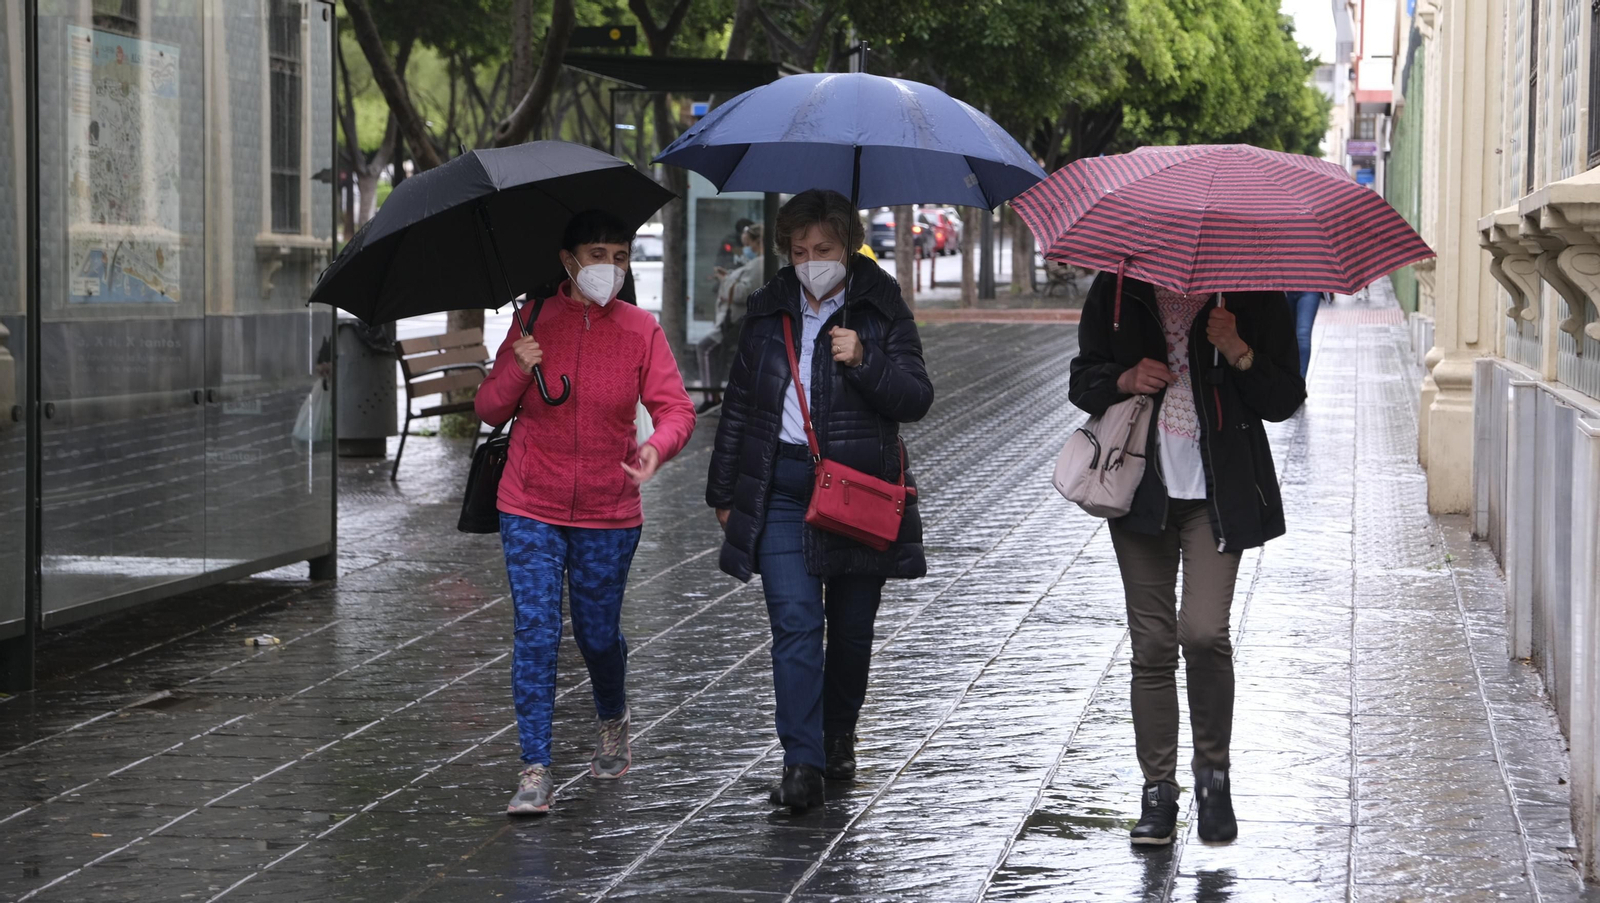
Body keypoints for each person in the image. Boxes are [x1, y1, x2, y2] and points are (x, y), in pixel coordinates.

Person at [707, 189, 934, 814]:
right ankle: (801, 763)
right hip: (782, 486)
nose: (811, 261)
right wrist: (724, 491)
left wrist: (864, 359)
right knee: (797, 625)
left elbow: (916, 398)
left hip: (858, 487)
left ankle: (838, 737)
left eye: (824, 249)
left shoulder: (881, 305)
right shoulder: (767, 308)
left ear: (848, 245)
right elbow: (742, 405)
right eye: (800, 250)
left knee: (853, 631)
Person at [1069, 271, 1305, 846]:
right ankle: (1158, 792)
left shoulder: (1252, 289)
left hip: (1218, 493)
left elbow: (1285, 399)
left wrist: (1239, 351)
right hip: (1139, 490)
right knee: (1151, 645)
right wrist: (1124, 376)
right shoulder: (1119, 287)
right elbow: (1082, 380)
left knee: (1202, 633)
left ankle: (1213, 775)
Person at [476, 210, 697, 816]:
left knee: (597, 637)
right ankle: (534, 770)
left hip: (609, 508)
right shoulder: (531, 320)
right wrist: (517, 367)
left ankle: (612, 716)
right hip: (529, 504)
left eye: (620, 257)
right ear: (568, 260)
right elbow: (490, 410)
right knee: (537, 632)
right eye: (597, 254)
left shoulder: (638, 330)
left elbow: (677, 409)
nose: (610, 268)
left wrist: (657, 446)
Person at [697, 224, 766, 407]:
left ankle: (711, 397)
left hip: (736, 321)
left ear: (757, 242)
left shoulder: (761, 263)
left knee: (706, 348)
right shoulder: (757, 262)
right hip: (735, 321)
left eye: (747, 244)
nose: (745, 249)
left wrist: (725, 280)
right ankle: (712, 396)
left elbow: (743, 293)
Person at [1287, 290, 1323, 379]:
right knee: (1298, 336)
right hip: (1307, 285)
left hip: (1304, 287)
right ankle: (1296, 381)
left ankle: (1298, 382)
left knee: (1302, 335)